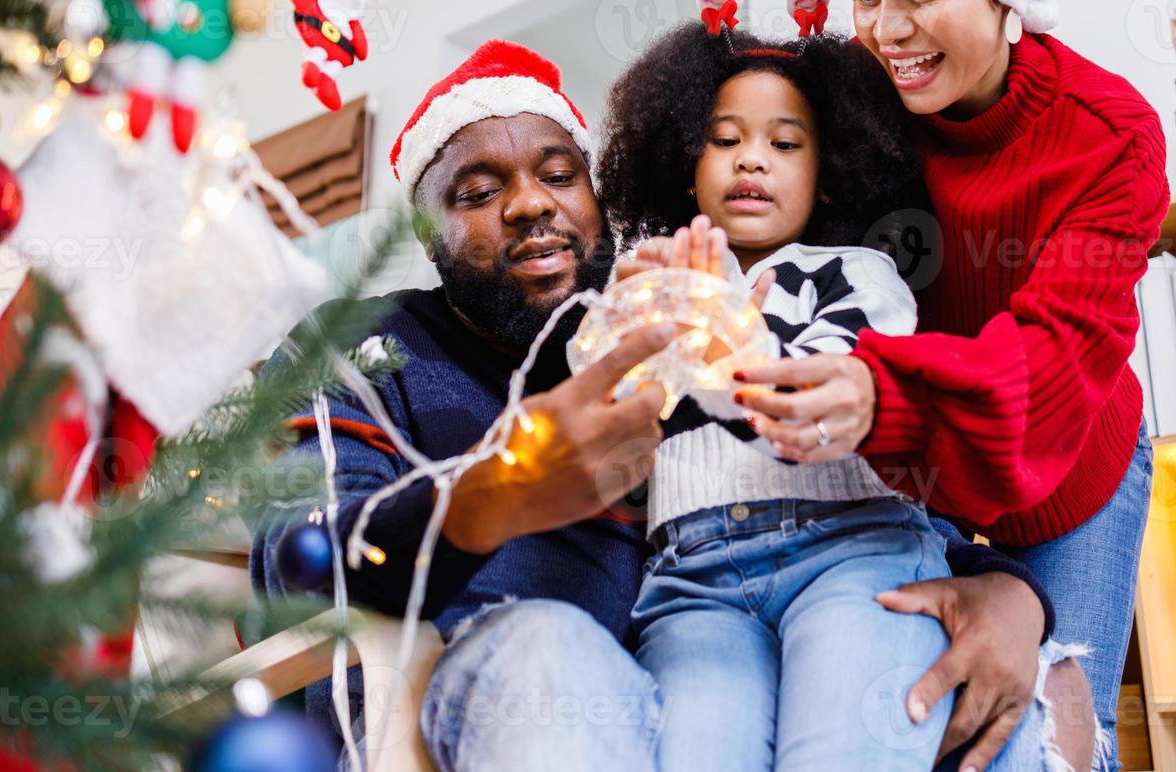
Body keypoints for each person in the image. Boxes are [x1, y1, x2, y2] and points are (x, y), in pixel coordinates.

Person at [249, 38, 1095, 771]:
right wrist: (492, 496)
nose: (533, 203)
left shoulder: (670, 339)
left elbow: (824, 493)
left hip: (689, 682)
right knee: (553, 644)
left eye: (559, 175)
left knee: (1014, 702)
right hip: (496, 674)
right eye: (476, 192)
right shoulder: (369, 342)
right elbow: (298, 568)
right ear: (426, 232)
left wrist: (1009, 595)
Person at [731, 0, 1169, 770]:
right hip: (903, 463)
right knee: (914, 722)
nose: (889, 30)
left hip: (1067, 482)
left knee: (1049, 733)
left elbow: (1052, 366)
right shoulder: (855, 105)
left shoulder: (1111, 138)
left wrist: (881, 390)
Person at [597, 24, 1075, 771]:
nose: (752, 157)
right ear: (688, 166)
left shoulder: (858, 273)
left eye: (785, 144)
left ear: (826, 177)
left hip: (847, 547)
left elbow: (815, 391)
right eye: (725, 140)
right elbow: (603, 400)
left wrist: (714, 331)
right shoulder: (656, 277)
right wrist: (619, 319)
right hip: (693, 579)